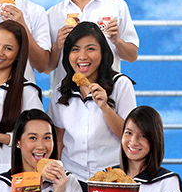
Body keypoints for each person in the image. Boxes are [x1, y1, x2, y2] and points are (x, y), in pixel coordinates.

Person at [45, 0, 139, 97]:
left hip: (109, 94)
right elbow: (46, 68)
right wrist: (57, 46)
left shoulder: (116, 6)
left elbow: (132, 56)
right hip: (68, 98)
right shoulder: (52, 15)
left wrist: (117, 41)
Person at [51, 22, 137, 181]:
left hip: (110, 176)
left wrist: (105, 108)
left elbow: (130, 136)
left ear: (103, 52)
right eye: (75, 49)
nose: (82, 56)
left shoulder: (120, 84)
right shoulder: (61, 90)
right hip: (71, 176)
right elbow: (58, 139)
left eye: (90, 49)